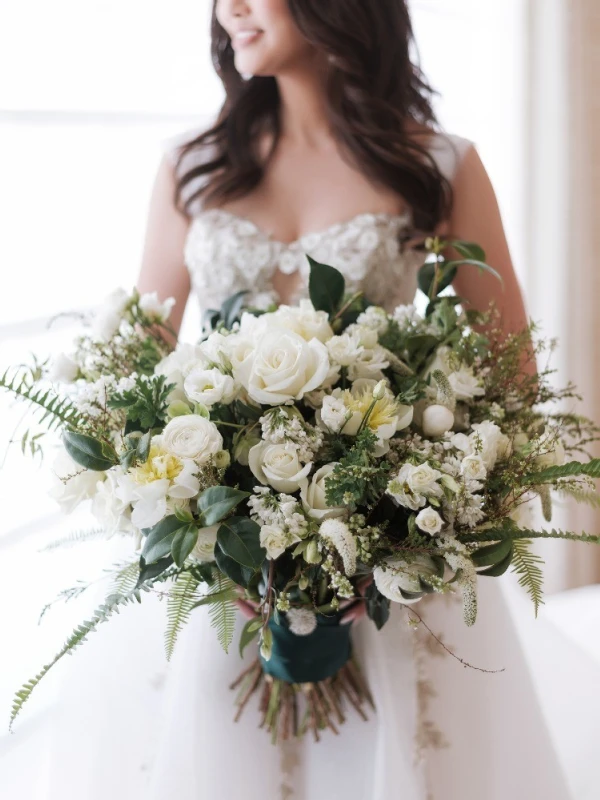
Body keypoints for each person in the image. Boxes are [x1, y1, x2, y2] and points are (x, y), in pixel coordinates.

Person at [2, 2, 586, 799]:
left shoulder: (438, 164)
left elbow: (512, 380)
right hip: (222, 574)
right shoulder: (194, 165)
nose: (227, 8)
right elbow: (138, 374)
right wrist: (201, 509)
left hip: (392, 565)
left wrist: (396, 520)